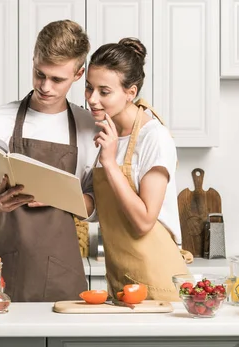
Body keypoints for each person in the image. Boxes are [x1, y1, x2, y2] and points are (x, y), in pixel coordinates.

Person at [0, 20, 98, 302]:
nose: (45, 86)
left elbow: (95, 208)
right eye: (39, 74)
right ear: (33, 61)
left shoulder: (88, 126)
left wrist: (59, 196)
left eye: (57, 79)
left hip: (61, 271)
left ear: (79, 74)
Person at [85, 37, 192, 301]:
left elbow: (144, 221)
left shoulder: (153, 137)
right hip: (122, 278)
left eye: (104, 91)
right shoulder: (105, 132)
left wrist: (109, 164)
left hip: (158, 282)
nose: (92, 99)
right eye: (88, 88)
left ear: (130, 92)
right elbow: (100, 208)